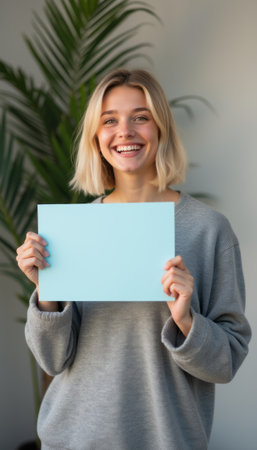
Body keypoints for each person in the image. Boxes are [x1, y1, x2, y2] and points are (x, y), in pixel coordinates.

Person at [16, 69, 251, 450]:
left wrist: (186, 320)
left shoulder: (209, 230)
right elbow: (52, 361)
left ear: (160, 128)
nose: (124, 131)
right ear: (97, 136)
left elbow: (225, 363)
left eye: (140, 117)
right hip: (71, 439)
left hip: (167, 440)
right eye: (110, 120)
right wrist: (47, 293)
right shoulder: (72, 231)